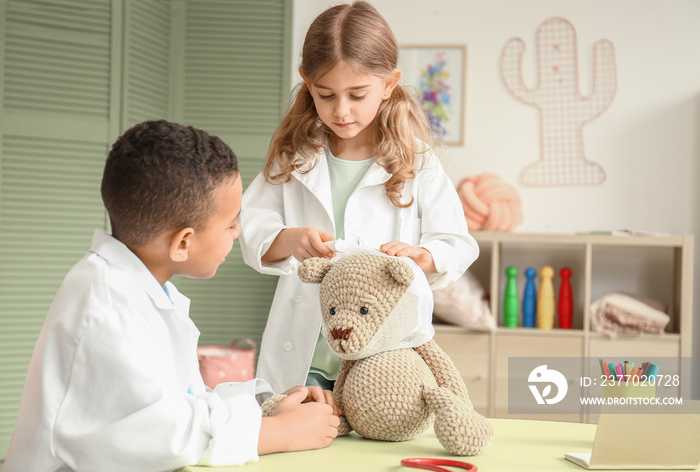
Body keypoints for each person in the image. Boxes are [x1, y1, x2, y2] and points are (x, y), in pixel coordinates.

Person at [3, 120, 339, 472]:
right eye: (230, 224)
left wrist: (266, 404)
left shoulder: (143, 287)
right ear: (182, 243)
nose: (238, 231)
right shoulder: (107, 306)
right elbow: (163, 436)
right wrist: (279, 431)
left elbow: (185, 401)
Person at [239, 2, 479, 395]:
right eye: (326, 94)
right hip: (306, 357)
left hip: (384, 356)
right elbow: (250, 227)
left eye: (357, 94)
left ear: (389, 84)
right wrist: (287, 239)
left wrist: (424, 256)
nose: (341, 110)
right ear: (306, 81)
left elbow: (457, 243)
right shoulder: (294, 157)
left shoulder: (417, 161)